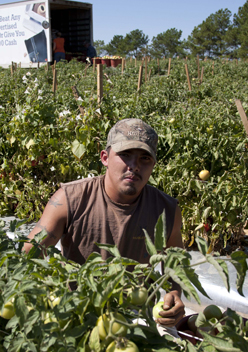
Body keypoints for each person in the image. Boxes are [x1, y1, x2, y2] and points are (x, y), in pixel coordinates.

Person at [22, 118, 186, 328]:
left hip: (136, 319)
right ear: (105, 157)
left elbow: (176, 265)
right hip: (77, 314)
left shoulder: (166, 210)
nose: (134, 166)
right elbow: (30, 252)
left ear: (153, 164)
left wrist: (174, 293)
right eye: (125, 155)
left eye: (144, 158)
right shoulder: (69, 199)